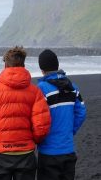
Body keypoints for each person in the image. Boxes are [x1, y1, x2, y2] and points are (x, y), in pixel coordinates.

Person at [0, 46, 51, 180]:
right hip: (25, 153)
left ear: (5, 64)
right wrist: (33, 140)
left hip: (0, 153)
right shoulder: (35, 92)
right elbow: (42, 124)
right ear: (23, 65)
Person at [37, 49, 87, 180]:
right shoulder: (73, 87)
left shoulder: (41, 89)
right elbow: (81, 112)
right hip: (68, 149)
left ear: (41, 69)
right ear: (57, 65)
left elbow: (39, 120)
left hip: (48, 151)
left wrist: (39, 138)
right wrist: (70, 131)